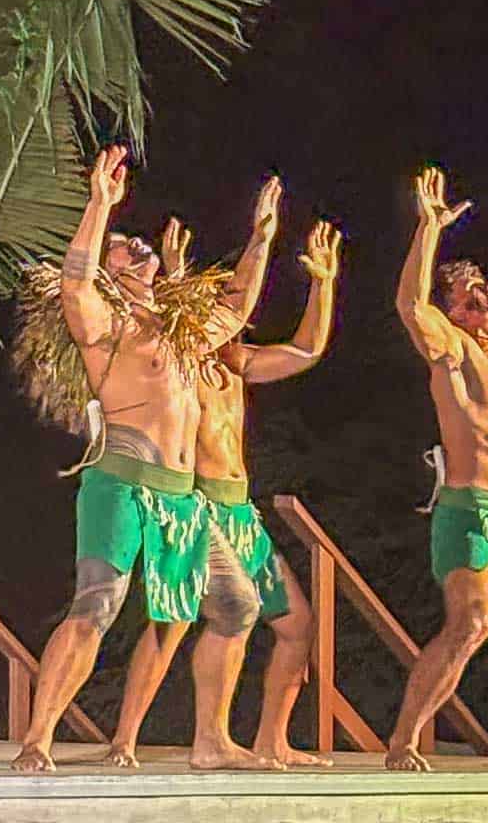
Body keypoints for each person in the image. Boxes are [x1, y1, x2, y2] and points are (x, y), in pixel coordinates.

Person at [12, 146, 280, 772]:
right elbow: (75, 280)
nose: (136, 244)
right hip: (121, 486)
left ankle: (211, 741)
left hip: (182, 499)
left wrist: (261, 238)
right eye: (122, 244)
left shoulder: (180, 327)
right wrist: (100, 208)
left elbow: (238, 306)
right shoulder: (105, 324)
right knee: (97, 606)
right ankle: (39, 739)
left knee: (237, 607)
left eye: (138, 240)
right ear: (109, 269)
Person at [105, 218, 341, 770]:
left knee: (295, 624)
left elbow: (306, 350)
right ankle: (131, 739)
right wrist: (178, 272)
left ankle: (270, 740)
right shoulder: (176, 362)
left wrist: (324, 284)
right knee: (175, 623)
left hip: (241, 510)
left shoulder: (239, 365)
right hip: (199, 503)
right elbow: (174, 324)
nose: (232, 319)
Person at [387, 167, 488, 771]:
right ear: (455, 314)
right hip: (470, 512)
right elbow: (410, 304)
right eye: (466, 297)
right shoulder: (453, 353)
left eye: (483, 288)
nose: (480, 296)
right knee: (473, 623)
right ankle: (404, 739)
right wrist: (429, 230)